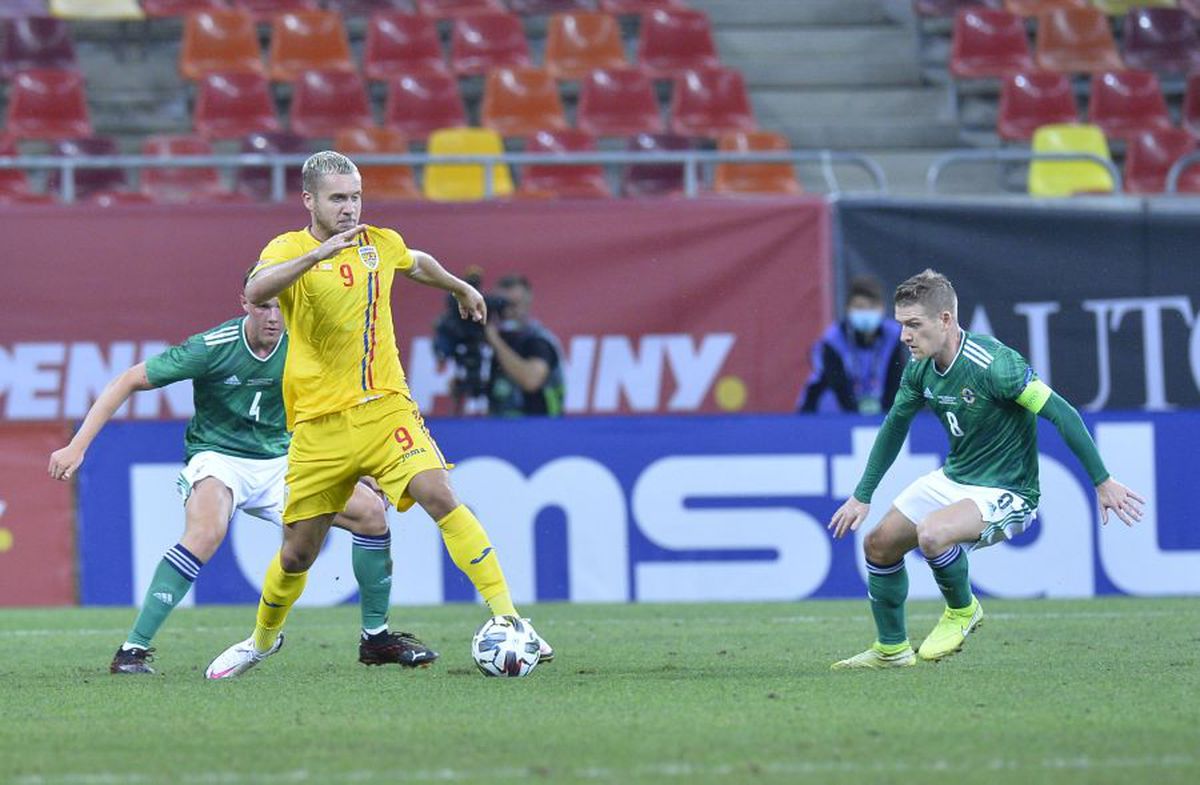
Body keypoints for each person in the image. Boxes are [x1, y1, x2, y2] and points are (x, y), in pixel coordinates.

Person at [205, 150, 553, 679]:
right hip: (318, 427)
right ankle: (261, 640)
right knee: (298, 554)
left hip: (385, 408)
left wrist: (460, 286)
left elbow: (417, 261)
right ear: (310, 201)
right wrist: (320, 255)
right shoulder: (287, 248)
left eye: (355, 197)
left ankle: (508, 617)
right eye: (338, 198)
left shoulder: (377, 243)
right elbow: (257, 289)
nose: (349, 208)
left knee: (439, 494)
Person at [47, 285, 426, 675]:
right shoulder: (212, 346)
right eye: (264, 307)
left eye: (281, 308)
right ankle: (132, 650)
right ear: (244, 303)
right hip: (218, 457)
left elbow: (341, 411)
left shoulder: (305, 347)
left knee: (371, 515)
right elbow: (128, 380)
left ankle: (376, 638)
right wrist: (77, 447)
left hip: (283, 460)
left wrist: (366, 467)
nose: (274, 317)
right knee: (206, 531)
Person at [827, 269, 1144, 669]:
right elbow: (894, 427)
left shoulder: (996, 365)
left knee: (933, 534)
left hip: (1007, 491)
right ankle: (891, 650)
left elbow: (1061, 413)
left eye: (913, 325)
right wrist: (862, 494)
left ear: (945, 320)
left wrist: (1102, 480)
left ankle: (962, 610)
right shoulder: (919, 369)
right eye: (901, 325)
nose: (904, 336)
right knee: (879, 544)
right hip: (955, 477)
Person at [798, 275, 906, 415]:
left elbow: (895, 382)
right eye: (860, 307)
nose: (866, 312)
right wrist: (855, 418)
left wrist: (887, 417)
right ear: (848, 309)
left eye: (872, 307)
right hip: (829, 413)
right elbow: (839, 388)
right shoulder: (832, 341)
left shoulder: (894, 336)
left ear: (882, 308)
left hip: (880, 409)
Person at [483, 274, 565, 417]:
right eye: (502, 305)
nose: (508, 311)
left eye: (514, 304)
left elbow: (530, 381)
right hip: (498, 428)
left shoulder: (539, 341)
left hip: (539, 428)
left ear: (528, 302)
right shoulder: (499, 339)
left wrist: (494, 339)